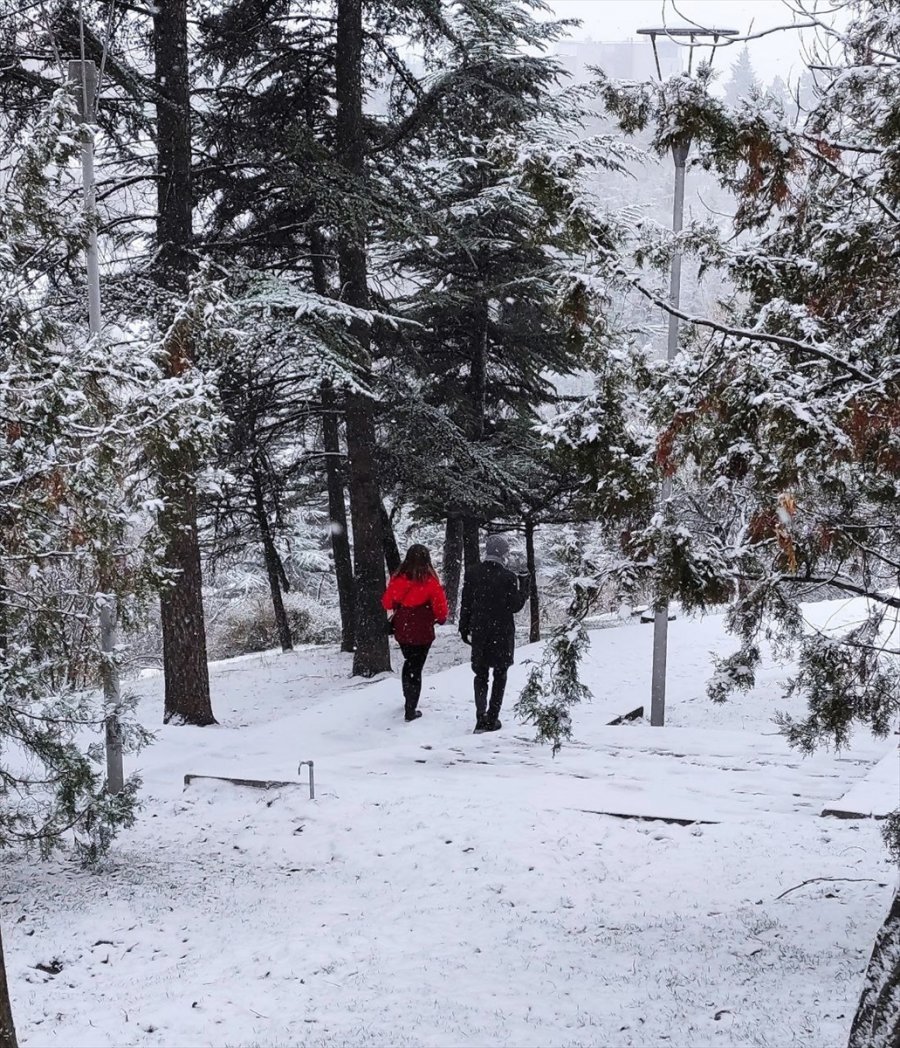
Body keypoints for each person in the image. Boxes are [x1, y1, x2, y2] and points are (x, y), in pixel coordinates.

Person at [459, 534, 530, 734]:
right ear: (503, 553)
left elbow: (466, 604)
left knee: (480, 674)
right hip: (502, 632)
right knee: (500, 673)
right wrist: (524, 585)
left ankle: (480, 717)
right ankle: (493, 717)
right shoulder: (507, 577)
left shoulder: (473, 574)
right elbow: (515, 606)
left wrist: (464, 627)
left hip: (480, 631)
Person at [382, 544, 449, 722]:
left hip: (403, 627)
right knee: (416, 666)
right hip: (423, 628)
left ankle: (407, 697)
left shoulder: (399, 578)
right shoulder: (430, 581)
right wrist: (440, 618)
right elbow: (440, 608)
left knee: (409, 661)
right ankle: (411, 708)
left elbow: (387, 602)